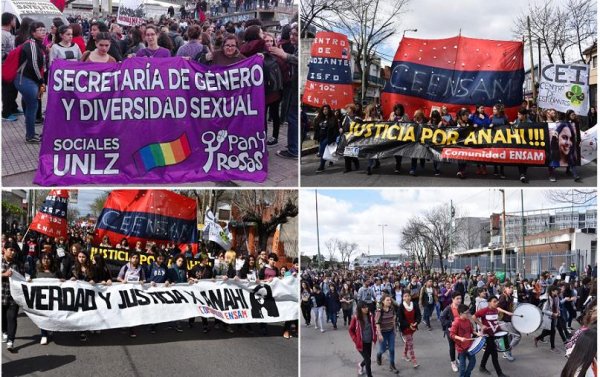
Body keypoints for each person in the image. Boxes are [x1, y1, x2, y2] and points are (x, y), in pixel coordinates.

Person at [14, 21, 47, 143]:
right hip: (26, 79)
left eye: (44, 29)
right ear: (33, 32)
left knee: (30, 105)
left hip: (27, 79)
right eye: (40, 30)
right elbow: (34, 64)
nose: (43, 31)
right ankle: (30, 135)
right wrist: (41, 80)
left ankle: (30, 132)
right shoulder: (31, 44)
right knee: (33, 106)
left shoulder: (38, 44)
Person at [473, 296, 510, 377]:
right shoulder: (484, 310)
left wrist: (498, 325)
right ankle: (499, 373)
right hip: (488, 335)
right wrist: (481, 325)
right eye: (494, 301)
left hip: (495, 333)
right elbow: (474, 317)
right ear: (489, 302)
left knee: (488, 351)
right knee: (494, 354)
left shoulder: (496, 310)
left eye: (497, 301)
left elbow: (495, 321)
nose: (497, 303)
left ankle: (482, 366)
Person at [117, 252, 146, 338]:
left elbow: (144, 279)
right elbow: (118, 277)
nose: (135, 259)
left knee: (134, 310)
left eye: (137, 258)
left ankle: (132, 328)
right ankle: (123, 324)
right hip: (125, 291)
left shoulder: (140, 269)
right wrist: (122, 281)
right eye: (133, 257)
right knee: (125, 308)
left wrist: (142, 281)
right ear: (130, 258)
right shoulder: (125, 267)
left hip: (135, 292)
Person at [449, 304, 482, 377]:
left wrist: (477, 333)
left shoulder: (467, 321)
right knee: (462, 368)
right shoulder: (456, 322)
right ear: (461, 313)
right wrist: (460, 338)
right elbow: (451, 334)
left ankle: (467, 375)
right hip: (461, 348)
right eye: (466, 313)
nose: (468, 314)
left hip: (469, 346)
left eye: (469, 312)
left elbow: (471, 330)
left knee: (473, 362)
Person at [2, 246, 23, 351]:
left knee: (12, 318)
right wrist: (4, 274)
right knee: (3, 318)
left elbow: (23, 276)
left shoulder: (17, 264)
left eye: (14, 250)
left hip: (13, 297)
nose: (13, 252)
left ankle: (11, 341)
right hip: (1, 295)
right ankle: (4, 331)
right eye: (11, 250)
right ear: (4, 250)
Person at [349, 301, 377, 377]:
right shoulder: (356, 317)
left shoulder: (370, 316)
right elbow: (350, 330)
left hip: (369, 341)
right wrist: (355, 339)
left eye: (367, 307)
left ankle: (360, 365)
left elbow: (374, 326)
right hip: (361, 343)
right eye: (364, 307)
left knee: (368, 358)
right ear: (359, 308)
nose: (366, 309)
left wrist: (375, 336)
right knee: (368, 360)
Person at [2, 12, 20, 123]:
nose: (15, 21)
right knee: (7, 90)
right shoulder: (3, 34)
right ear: (9, 21)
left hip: (10, 66)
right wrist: (11, 56)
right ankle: (6, 112)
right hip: (5, 67)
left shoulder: (9, 33)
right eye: (14, 19)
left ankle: (13, 108)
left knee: (12, 89)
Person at [397, 289, 421, 368]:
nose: (407, 297)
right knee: (410, 343)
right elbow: (400, 319)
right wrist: (408, 324)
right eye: (405, 296)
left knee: (408, 341)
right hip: (405, 327)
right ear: (403, 298)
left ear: (410, 297)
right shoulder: (401, 306)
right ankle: (414, 360)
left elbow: (418, 315)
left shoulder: (414, 304)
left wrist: (416, 322)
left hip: (413, 327)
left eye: (408, 296)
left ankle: (404, 355)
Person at [375, 294, 399, 374]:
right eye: (387, 300)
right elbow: (377, 323)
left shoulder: (392, 309)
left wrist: (395, 330)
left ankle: (392, 365)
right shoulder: (379, 311)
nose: (389, 301)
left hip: (391, 332)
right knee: (383, 349)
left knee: (392, 349)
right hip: (383, 333)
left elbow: (393, 320)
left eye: (390, 300)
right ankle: (379, 355)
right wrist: (379, 334)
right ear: (383, 302)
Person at [497, 283, 521, 361]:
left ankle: (506, 351)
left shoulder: (510, 296)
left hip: (508, 320)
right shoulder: (503, 297)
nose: (511, 289)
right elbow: (497, 308)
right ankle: (507, 352)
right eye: (510, 288)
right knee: (517, 336)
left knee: (510, 337)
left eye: (512, 288)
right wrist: (507, 313)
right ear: (505, 288)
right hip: (504, 321)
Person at [441, 291, 462, 372]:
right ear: (453, 299)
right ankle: (453, 363)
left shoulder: (461, 307)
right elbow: (442, 319)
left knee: (460, 345)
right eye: (457, 299)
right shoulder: (448, 308)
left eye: (460, 298)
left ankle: (459, 358)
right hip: (450, 331)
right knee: (452, 347)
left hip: (460, 330)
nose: (459, 300)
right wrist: (450, 323)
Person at [313, 104, 337, 173]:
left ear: (329, 110)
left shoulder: (333, 118)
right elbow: (315, 127)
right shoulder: (319, 117)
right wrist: (316, 120)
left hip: (329, 136)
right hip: (321, 136)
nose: (325, 111)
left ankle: (321, 166)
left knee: (322, 151)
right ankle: (329, 160)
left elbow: (334, 128)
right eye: (324, 109)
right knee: (325, 151)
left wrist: (328, 121)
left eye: (326, 109)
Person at [340, 103, 362, 172]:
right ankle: (348, 168)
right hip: (346, 137)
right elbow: (340, 124)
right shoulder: (344, 117)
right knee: (346, 154)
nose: (347, 109)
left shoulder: (357, 118)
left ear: (352, 109)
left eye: (348, 108)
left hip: (353, 137)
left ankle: (356, 162)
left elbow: (362, 127)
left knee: (352, 153)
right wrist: (340, 128)